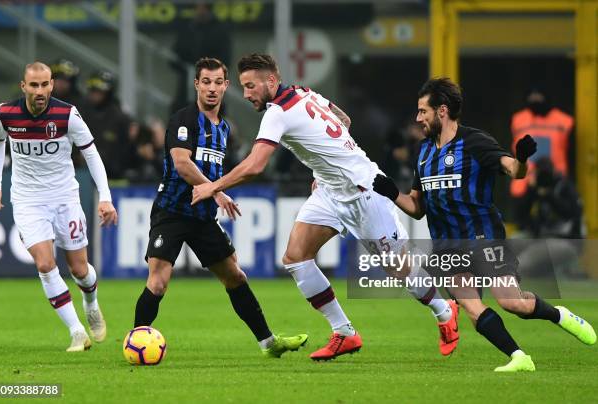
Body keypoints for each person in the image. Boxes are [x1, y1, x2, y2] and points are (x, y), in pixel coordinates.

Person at [192, 53, 459, 361]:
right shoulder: (305, 93)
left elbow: (255, 166)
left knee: (398, 268)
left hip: (364, 189)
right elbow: (343, 120)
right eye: (244, 86)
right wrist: (324, 169)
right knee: (295, 257)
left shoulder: (278, 113)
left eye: (251, 86)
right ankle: (344, 332)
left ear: (271, 81)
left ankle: (444, 311)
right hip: (330, 191)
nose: (247, 93)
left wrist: (212, 186)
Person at [372, 77, 596, 371]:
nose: (418, 118)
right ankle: (519, 357)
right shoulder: (423, 153)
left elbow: (514, 171)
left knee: (512, 302)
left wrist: (523, 159)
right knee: (472, 307)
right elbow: (416, 208)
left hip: (484, 237)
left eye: (423, 111)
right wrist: (392, 193)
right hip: (447, 246)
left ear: (442, 111)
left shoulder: (475, 142)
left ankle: (559, 315)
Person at [133, 57, 307, 358]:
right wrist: (217, 192)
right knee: (159, 282)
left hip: (202, 218)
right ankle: (134, 343)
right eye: (206, 82)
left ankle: (268, 343)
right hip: (172, 212)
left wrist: (216, 191)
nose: (212, 89)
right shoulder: (183, 119)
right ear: (197, 84)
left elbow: (218, 173)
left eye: (218, 83)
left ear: (226, 86)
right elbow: (182, 164)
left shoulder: (224, 128)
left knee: (235, 276)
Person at [0, 62, 117, 351]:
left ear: (52, 85)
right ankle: (76, 331)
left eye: (45, 84)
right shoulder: (5, 114)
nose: (40, 91)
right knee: (46, 264)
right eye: (33, 85)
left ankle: (91, 302)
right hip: (27, 200)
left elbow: (92, 154)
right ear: (23, 87)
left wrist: (105, 197)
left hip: (65, 198)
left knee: (80, 269)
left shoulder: (67, 115)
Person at [82, 70, 135, 181]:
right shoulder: (81, 112)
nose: (95, 94)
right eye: (93, 90)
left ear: (109, 92)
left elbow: (126, 151)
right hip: (84, 173)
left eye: (99, 91)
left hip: (113, 176)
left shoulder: (120, 117)